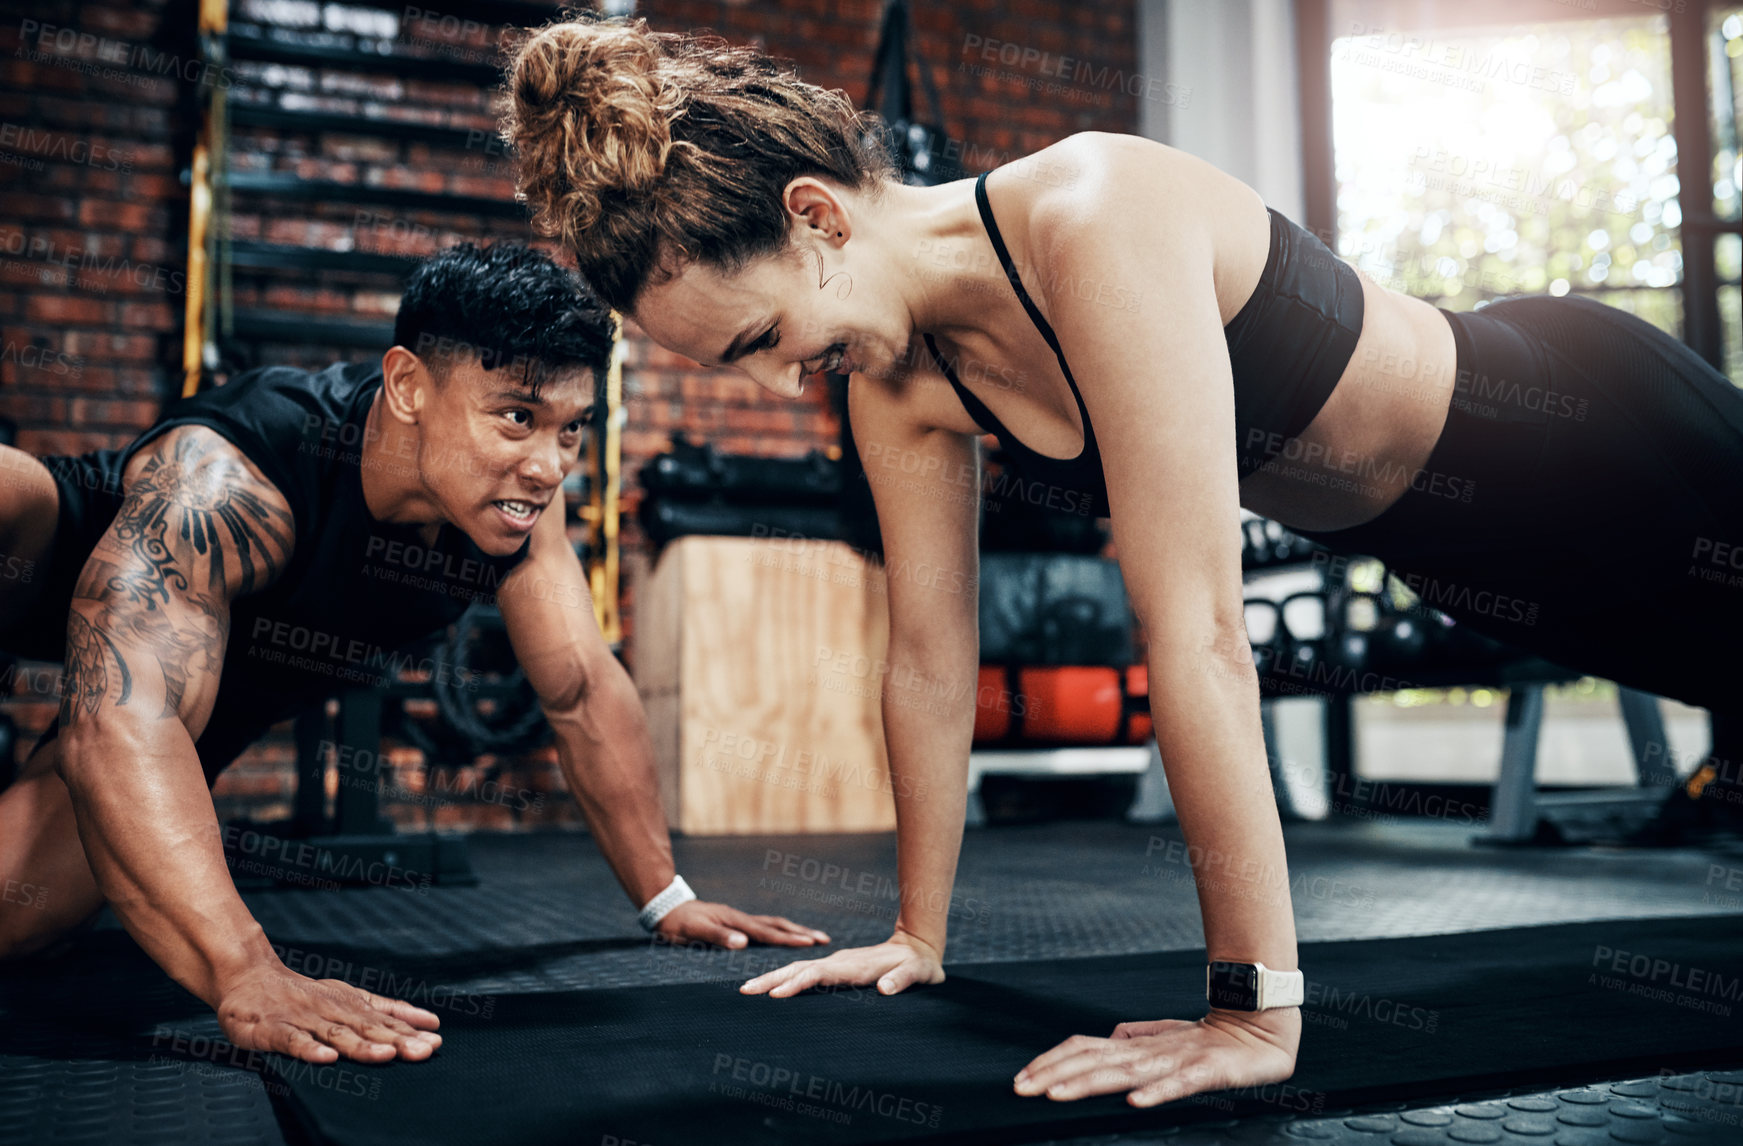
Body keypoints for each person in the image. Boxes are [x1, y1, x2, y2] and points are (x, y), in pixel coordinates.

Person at [500, 16, 1743, 1109]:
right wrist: (915, 936)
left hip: (1599, 442)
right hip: (1451, 549)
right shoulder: (899, 381)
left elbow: (1199, 631)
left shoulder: (1092, 218)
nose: (781, 379)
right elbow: (931, 663)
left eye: (768, 337)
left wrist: (1252, 1011)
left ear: (817, 217)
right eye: (743, 369)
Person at [0, 242, 831, 1066]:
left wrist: (665, 899)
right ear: (407, 387)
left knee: (24, 920)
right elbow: (120, 714)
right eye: (516, 416)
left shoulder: (512, 516)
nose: (548, 467)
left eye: (571, 428)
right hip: (58, 573)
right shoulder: (231, 480)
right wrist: (245, 972)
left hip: (193, 710)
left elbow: (578, 688)